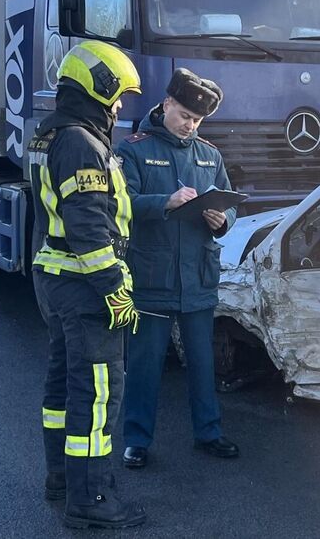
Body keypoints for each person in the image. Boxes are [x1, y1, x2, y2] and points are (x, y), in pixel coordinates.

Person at [29, 40, 146, 530]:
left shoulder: (53, 134)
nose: (118, 109)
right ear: (97, 89)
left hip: (59, 279)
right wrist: (114, 289)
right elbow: (90, 228)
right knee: (98, 394)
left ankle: (62, 479)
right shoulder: (81, 143)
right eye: (117, 98)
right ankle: (91, 498)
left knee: (64, 383)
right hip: (85, 286)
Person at [116, 68, 239, 470]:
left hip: (197, 277)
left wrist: (223, 220)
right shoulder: (133, 150)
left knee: (203, 363)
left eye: (197, 120)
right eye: (185, 115)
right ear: (167, 103)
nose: (190, 125)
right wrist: (164, 203)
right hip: (152, 277)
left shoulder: (209, 154)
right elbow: (120, 204)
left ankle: (209, 433)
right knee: (145, 365)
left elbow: (229, 203)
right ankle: (136, 440)